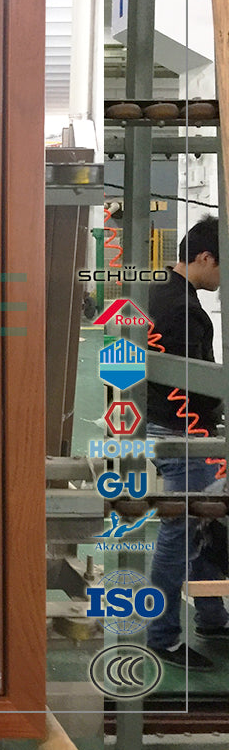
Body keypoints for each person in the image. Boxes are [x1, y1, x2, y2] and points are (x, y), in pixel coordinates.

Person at [145, 216, 227, 669]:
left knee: (203, 520)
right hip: (179, 430)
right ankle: (162, 637)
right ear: (205, 258)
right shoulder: (181, 308)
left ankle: (212, 617)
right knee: (182, 529)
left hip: (168, 423)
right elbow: (192, 380)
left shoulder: (162, 289)